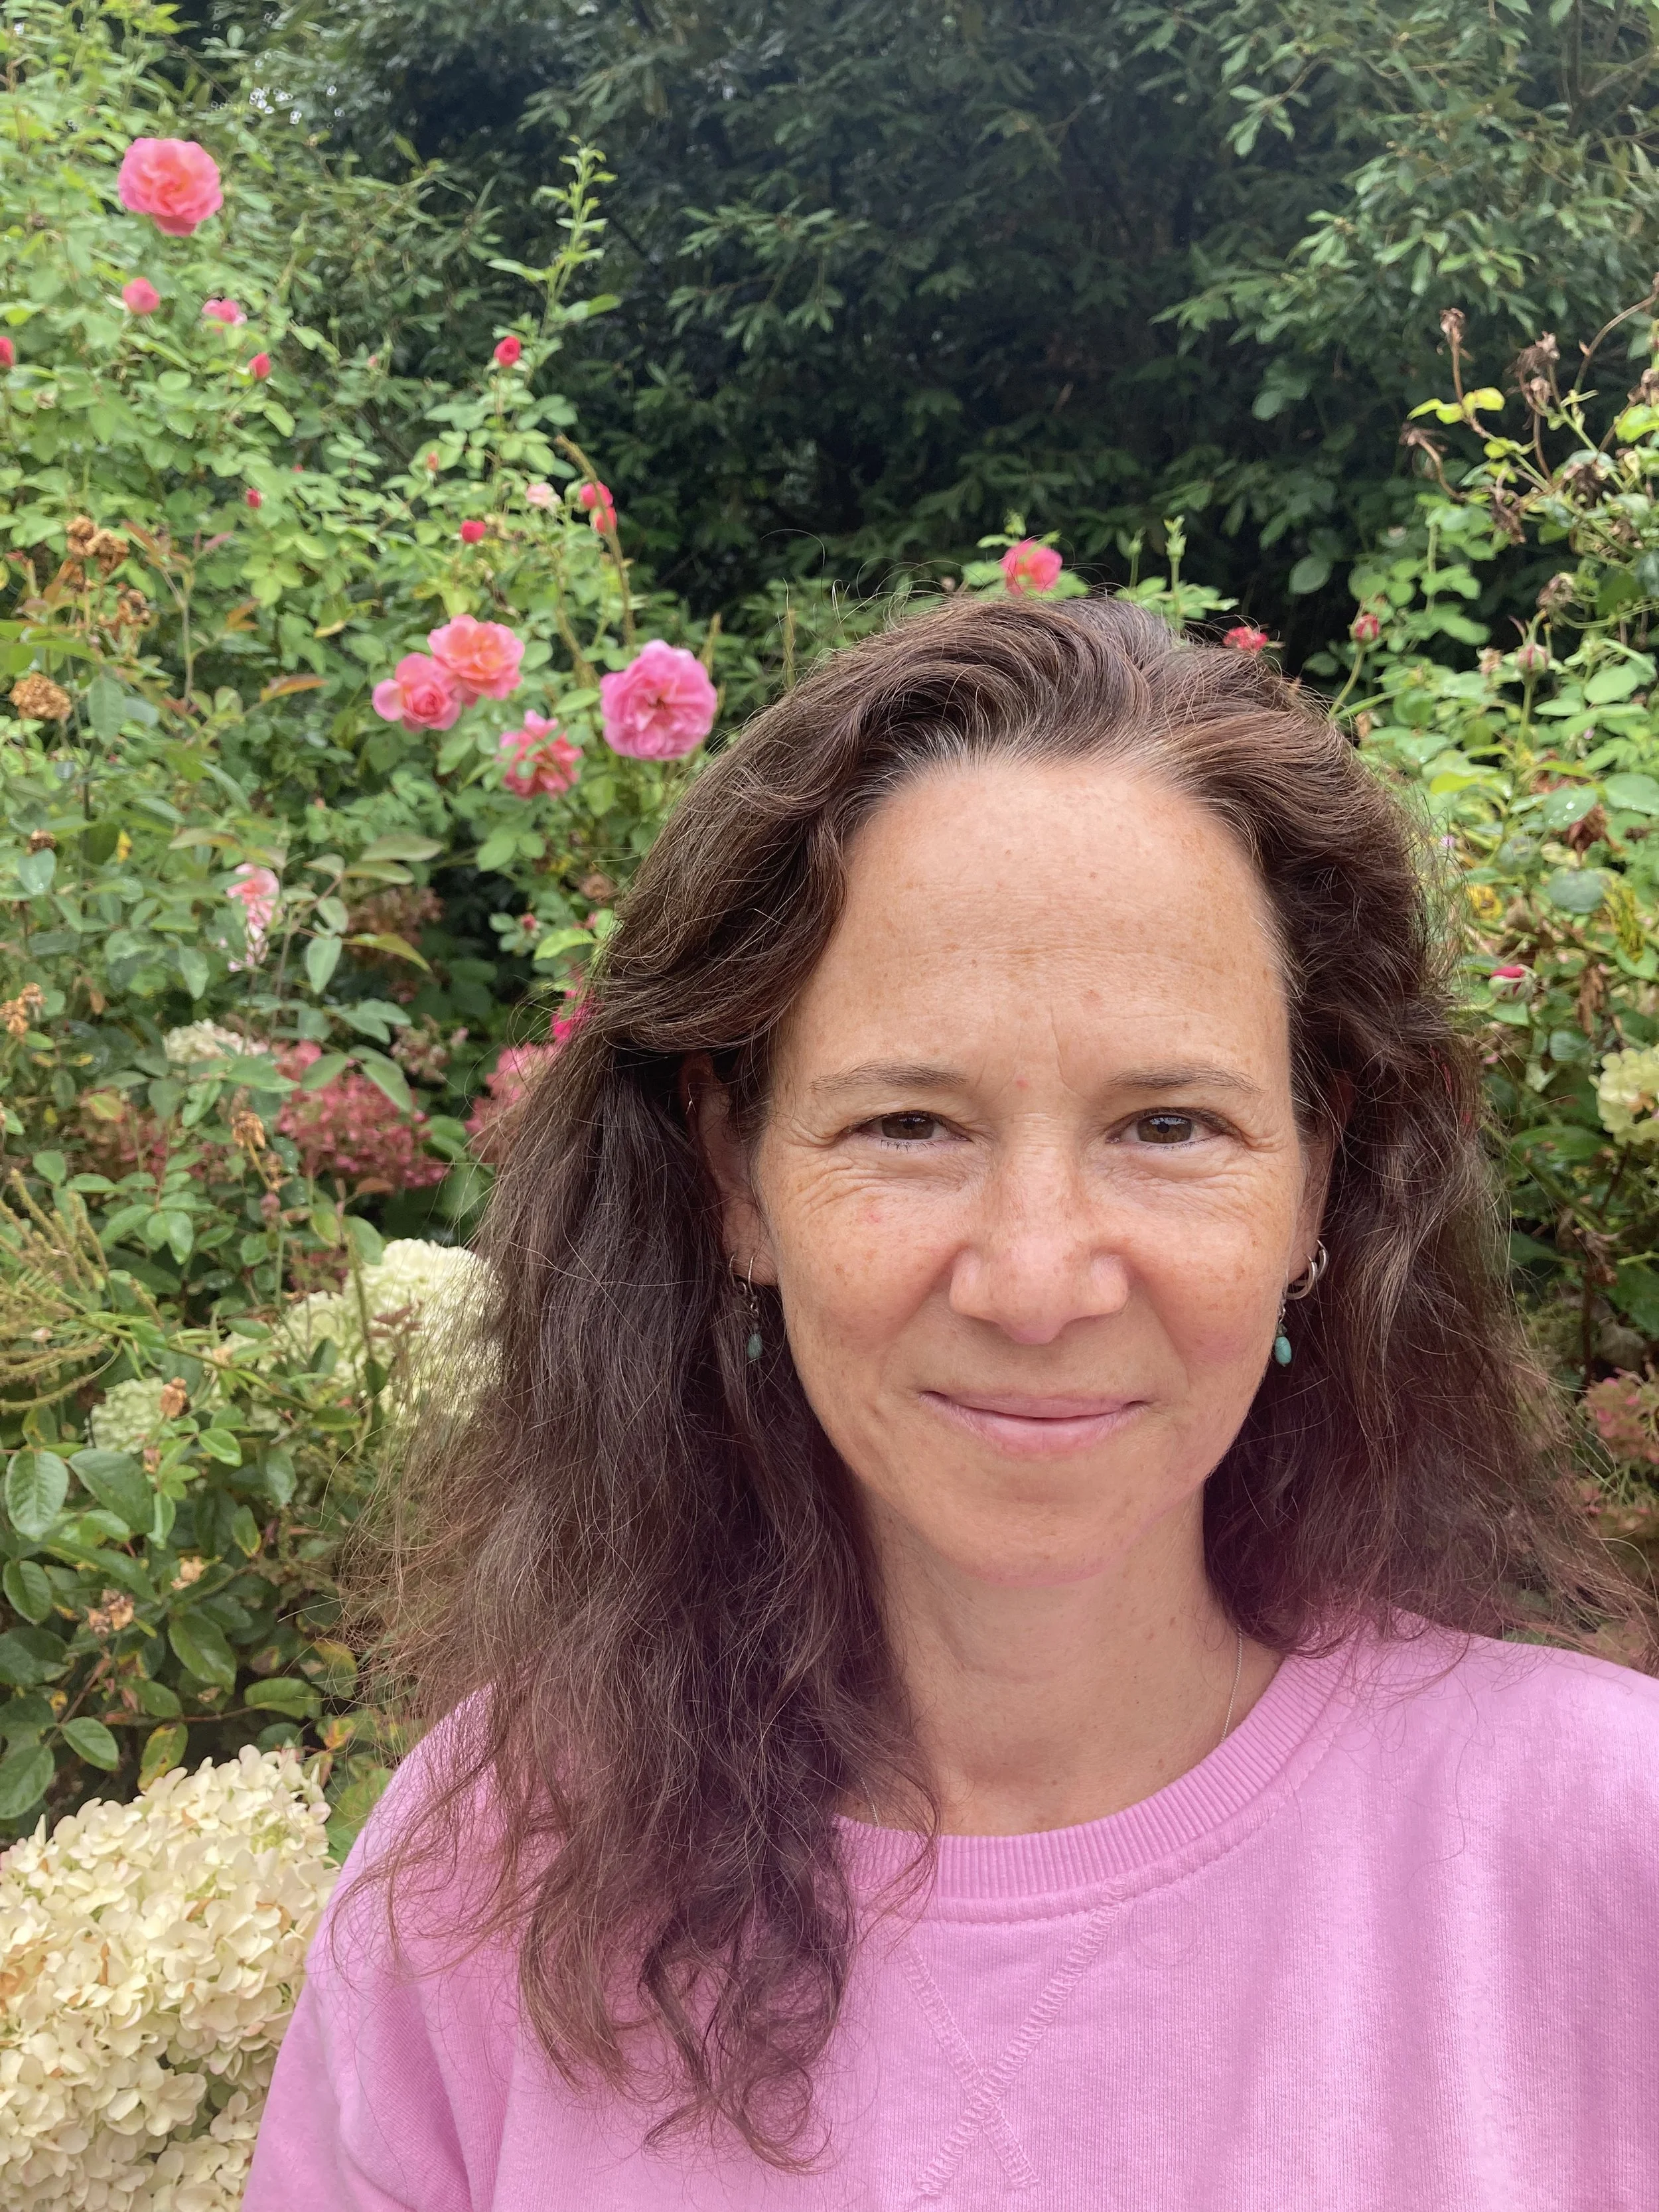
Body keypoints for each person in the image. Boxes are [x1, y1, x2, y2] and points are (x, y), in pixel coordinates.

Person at [247, 597, 1659, 2210]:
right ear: (736, 1178)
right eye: (910, 1124)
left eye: (1170, 1125)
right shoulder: (493, 1870)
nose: (1037, 1281)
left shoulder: (1610, 1853)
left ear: (1313, 1178)